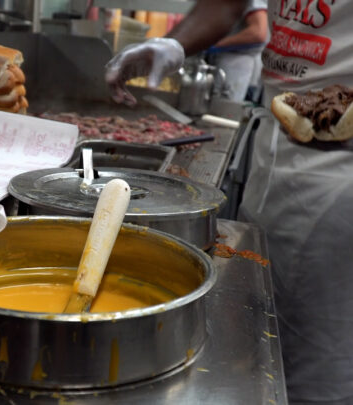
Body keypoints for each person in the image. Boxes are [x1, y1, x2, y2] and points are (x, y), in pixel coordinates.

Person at [105, 1, 353, 404]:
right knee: (256, 343)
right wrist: (175, 44)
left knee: (317, 364)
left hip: (340, 179)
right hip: (275, 147)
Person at [205, 0, 268, 102]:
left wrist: (215, 44)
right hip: (234, 66)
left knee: (225, 112)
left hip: (236, 67)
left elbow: (258, 33)